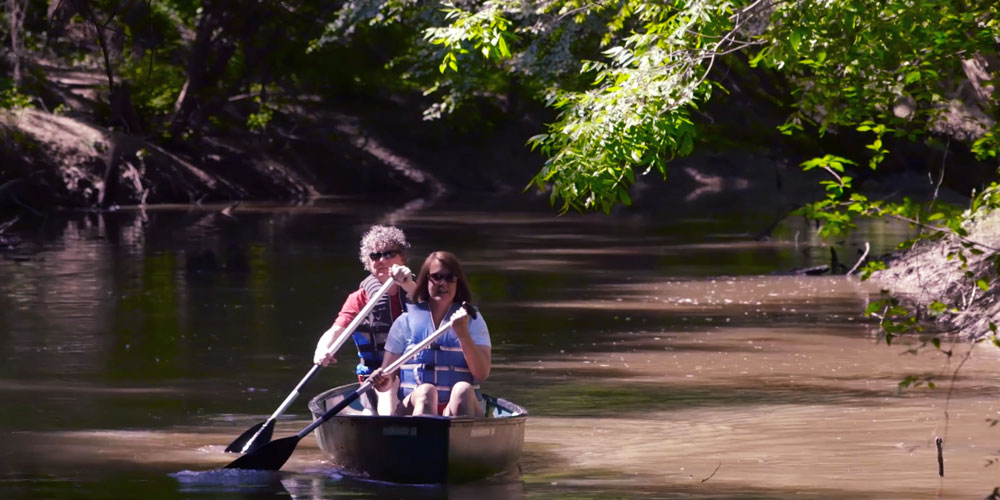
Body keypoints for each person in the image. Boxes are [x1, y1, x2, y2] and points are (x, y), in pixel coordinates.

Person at [371, 251, 491, 417]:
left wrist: (462, 333)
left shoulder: (472, 321)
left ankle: (460, 432)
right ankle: (422, 431)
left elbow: (482, 373)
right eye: (436, 277)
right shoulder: (405, 322)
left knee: (463, 389)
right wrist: (381, 381)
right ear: (425, 280)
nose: (443, 283)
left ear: (457, 282)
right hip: (414, 406)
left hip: (456, 407)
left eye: (450, 278)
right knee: (426, 391)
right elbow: (387, 379)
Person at [313, 225, 417, 412]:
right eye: (375, 256)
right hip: (375, 381)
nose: (381, 260)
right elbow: (336, 330)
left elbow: (432, 310)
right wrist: (322, 350)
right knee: (386, 385)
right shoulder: (359, 299)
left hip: (416, 380)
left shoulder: (419, 292)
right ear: (368, 262)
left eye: (389, 254)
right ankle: (383, 421)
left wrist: (408, 284)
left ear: (402, 258)